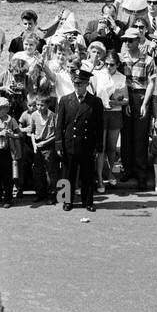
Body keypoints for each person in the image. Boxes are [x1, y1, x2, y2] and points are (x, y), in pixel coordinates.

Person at [56, 68, 103, 211]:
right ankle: (66, 201)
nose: (78, 86)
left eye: (81, 84)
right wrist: (59, 145)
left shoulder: (95, 101)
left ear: (87, 84)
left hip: (87, 144)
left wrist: (98, 146)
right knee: (67, 173)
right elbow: (59, 125)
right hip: (69, 143)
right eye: (75, 84)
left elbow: (99, 126)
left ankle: (87, 202)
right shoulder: (65, 100)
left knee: (87, 174)